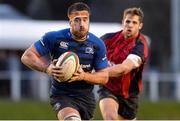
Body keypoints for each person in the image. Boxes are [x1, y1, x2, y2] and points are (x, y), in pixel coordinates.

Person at [21, 2, 108, 120]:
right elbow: (27, 56)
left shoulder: (97, 44)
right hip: (62, 95)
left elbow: (104, 77)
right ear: (70, 21)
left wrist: (83, 76)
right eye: (77, 20)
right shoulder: (54, 38)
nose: (82, 24)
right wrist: (47, 68)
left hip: (86, 99)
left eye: (85, 19)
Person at [98, 7, 149, 120]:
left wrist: (99, 72)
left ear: (140, 25)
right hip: (108, 89)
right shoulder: (107, 39)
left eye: (134, 22)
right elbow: (89, 54)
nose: (130, 25)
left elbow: (124, 69)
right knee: (110, 118)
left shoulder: (141, 46)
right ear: (122, 22)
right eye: (127, 21)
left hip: (129, 96)